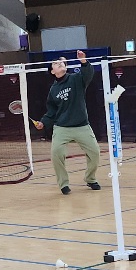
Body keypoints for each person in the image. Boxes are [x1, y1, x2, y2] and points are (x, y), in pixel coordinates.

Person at [31, 50, 101, 194]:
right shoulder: (53, 90)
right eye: (56, 63)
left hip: (82, 125)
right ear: (52, 72)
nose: (60, 63)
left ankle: (90, 178)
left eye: (61, 62)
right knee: (56, 154)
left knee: (95, 152)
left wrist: (83, 61)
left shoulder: (76, 79)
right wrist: (43, 123)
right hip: (62, 127)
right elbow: (51, 112)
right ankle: (63, 184)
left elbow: (88, 74)